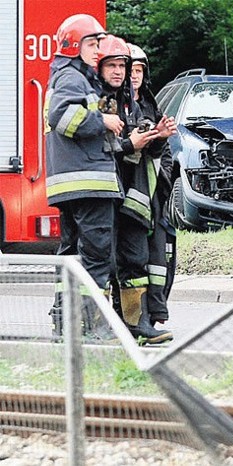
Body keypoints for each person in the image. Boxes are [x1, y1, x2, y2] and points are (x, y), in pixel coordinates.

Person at [45, 14, 124, 341]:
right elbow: (62, 117)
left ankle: (66, 324)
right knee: (95, 257)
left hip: (72, 182)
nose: (97, 50)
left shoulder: (68, 76)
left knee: (72, 258)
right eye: (92, 44)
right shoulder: (73, 78)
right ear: (74, 46)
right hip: (88, 182)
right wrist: (103, 121)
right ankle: (92, 328)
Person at [96, 34, 175, 344]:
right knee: (107, 261)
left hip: (133, 197)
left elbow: (146, 154)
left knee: (136, 259)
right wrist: (132, 142)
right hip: (107, 193)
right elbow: (101, 146)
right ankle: (104, 324)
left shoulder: (137, 102)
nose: (125, 73)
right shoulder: (104, 100)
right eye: (115, 66)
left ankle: (137, 323)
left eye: (126, 67)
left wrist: (158, 137)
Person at [127, 43, 177, 328]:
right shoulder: (116, 104)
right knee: (133, 260)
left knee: (157, 258)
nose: (134, 76)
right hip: (130, 198)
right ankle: (134, 319)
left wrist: (162, 180)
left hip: (153, 195)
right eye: (129, 69)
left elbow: (165, 153)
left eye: (138, 70)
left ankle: (153, 313)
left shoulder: (150, 104)